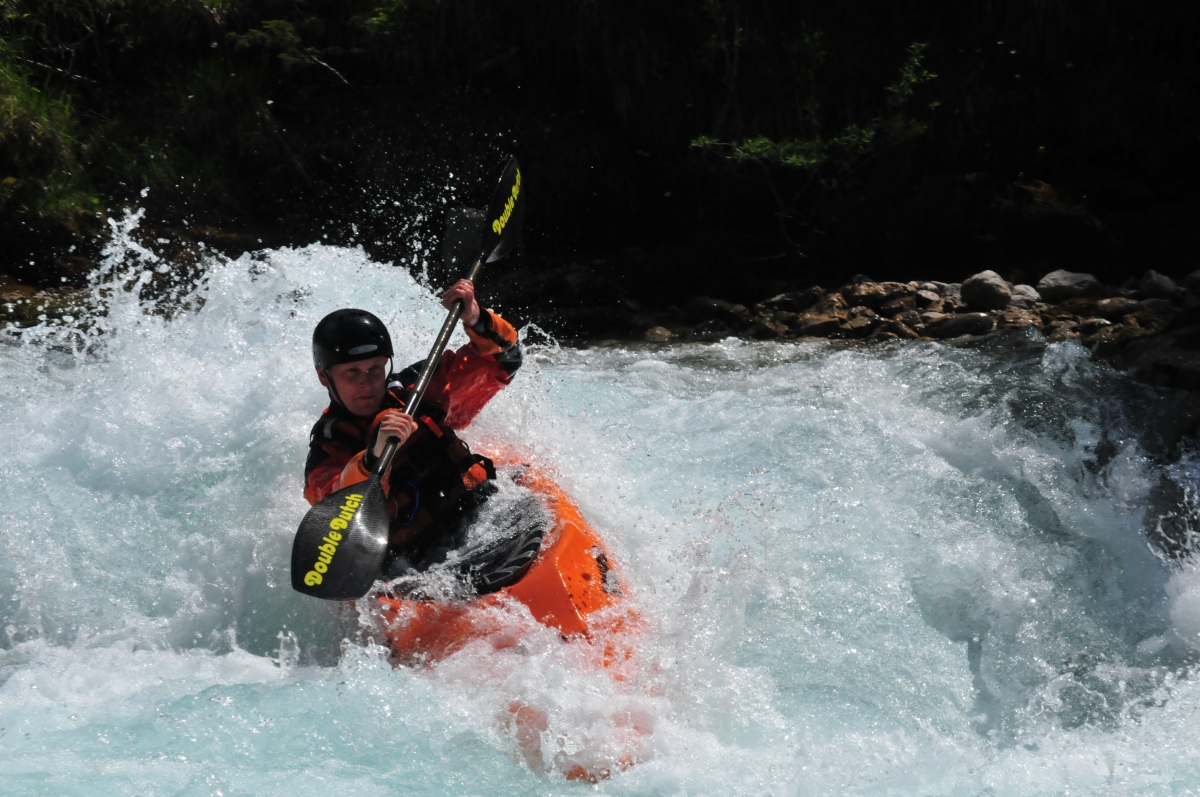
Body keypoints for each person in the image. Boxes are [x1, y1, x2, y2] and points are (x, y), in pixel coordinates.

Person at [304, 279, 522, 571]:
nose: (366, 383)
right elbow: (338, 516)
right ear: (324, 376)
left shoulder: (416, 390)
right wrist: (373, 457)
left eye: (375, 368)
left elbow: (506, 360)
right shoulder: (329, 444)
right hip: (418, 560)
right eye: (352, 372)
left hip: (482, 509)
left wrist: (476, 318)